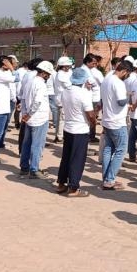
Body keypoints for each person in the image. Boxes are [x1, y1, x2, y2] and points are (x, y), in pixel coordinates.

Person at [56, 67, 96, 197]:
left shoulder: (66, 91)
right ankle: (73, 187)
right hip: (80, 129)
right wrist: (94, 123)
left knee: (66, 157)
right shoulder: (83, 94)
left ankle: (61, 183)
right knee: (77, 159)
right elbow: (90, 114)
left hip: (68, 127)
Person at [99, 61, 133, 190]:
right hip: (117, 122)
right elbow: (120, 102)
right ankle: (110, 179)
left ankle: (106, 178)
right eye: (127, 74)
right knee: (121, 150)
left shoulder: (107, 79)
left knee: (108, 149)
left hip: (107, 119)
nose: (127, 77)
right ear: (124, 71)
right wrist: (128, 97)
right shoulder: (118, 83)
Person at [20, 61, 55, 179]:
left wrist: (25, 114)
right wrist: (29, 114)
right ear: (44, 73)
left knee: (27, 143)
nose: (49, 77)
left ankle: (24, 167)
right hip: (38, 118)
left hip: (30, 118)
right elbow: (37, 101)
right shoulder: (40, 84)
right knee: (37, 145)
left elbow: (23, 99)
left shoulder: (30, 81)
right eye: (48, 74)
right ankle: (34, 169)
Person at [52, 56, 73, 143]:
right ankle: (60, 137)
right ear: (63, 66)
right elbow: (69, 85)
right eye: (68, 66)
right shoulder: (61, 74)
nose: (69, 67)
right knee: (62, 119)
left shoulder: (65, 73)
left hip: (63, 99)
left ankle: (58, 135)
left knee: (61, 118)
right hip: (62, 100)